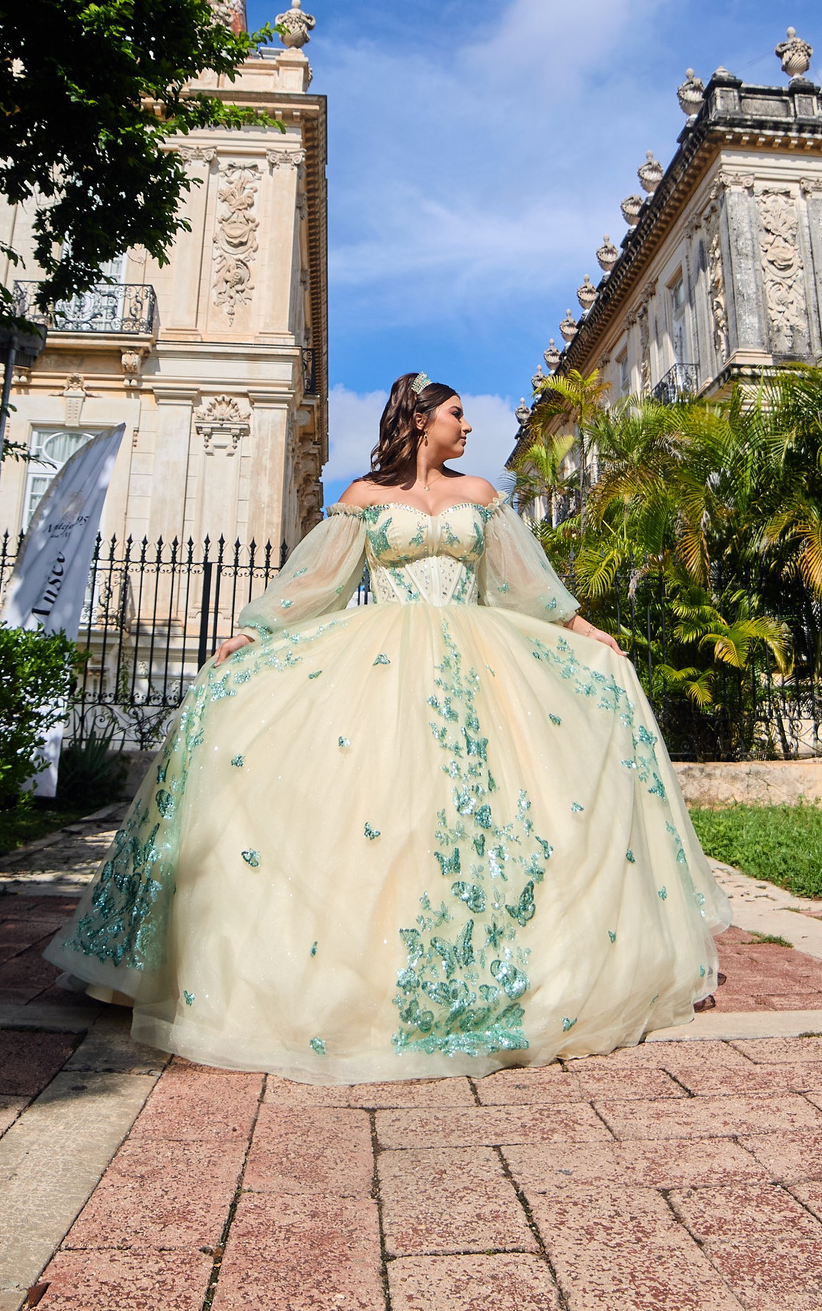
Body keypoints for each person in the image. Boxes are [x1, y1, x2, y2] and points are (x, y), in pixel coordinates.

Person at [45, 372, 730, 1082]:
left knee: (481, 812)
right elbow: (319, 585)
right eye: (458, 414)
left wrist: (584, 629)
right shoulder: (362, 500)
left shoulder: (482, 497)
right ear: (420, 417)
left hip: (479, 666)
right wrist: (254, 633)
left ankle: (494, 969)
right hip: (381, 663)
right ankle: (365, 978)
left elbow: (527, 588)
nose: (469, 427)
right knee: (384, 814)